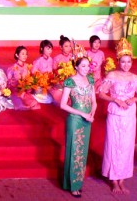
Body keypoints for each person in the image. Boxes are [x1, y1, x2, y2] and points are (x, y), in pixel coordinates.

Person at [99, 38, 137, 194]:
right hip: (115, 113)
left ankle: (122, 180)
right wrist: (115, 99)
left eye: (129, 61)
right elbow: (102, 93)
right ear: (118, 61)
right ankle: (113, 180)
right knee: (113, 144)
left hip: (129, 115)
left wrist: (133, 99)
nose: (126, 65)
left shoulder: (135, 78)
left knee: (126, 146)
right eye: (123, 62)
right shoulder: (112, 75)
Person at [60, 56, 96, 198]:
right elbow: (63, 105)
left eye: (88, 66)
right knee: (74, 151)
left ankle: (75, 183)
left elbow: (94, 101)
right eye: (83, 66)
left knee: (82, 152)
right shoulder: (70, 81)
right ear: (76, 67)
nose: (86, 69)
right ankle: (72, 185)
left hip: (87, 120)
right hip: (75, 120)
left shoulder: (90, 80)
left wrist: (92, 112)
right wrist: (83, 114)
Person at [6, 45, 40, 110]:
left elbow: (31, 79)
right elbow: (8, 82)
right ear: (17, 55)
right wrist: (16, 86)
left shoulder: (28, 66)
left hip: (26, 91)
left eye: (26, 54)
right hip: (16, 92)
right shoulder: (12, 68)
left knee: (35, 105)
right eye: (23, 54)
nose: (25, 56)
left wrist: (29, 86)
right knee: (20, 105)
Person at [51, 35, 74, 104]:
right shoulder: (57, 58)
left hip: (72, 80)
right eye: (66, 46)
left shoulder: (73, 57)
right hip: (61, 82)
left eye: (70, 46)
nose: (68, 48)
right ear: (61, 47)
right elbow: (54, 71)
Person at [31, 39, 55, 104]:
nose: (50, 51)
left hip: (49, 83)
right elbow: (33, 73)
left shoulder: (51, 59)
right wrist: (41, 79)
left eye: (51, 49)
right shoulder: (38, 61)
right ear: (42, 49)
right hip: (41, 84)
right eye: (48, 49)